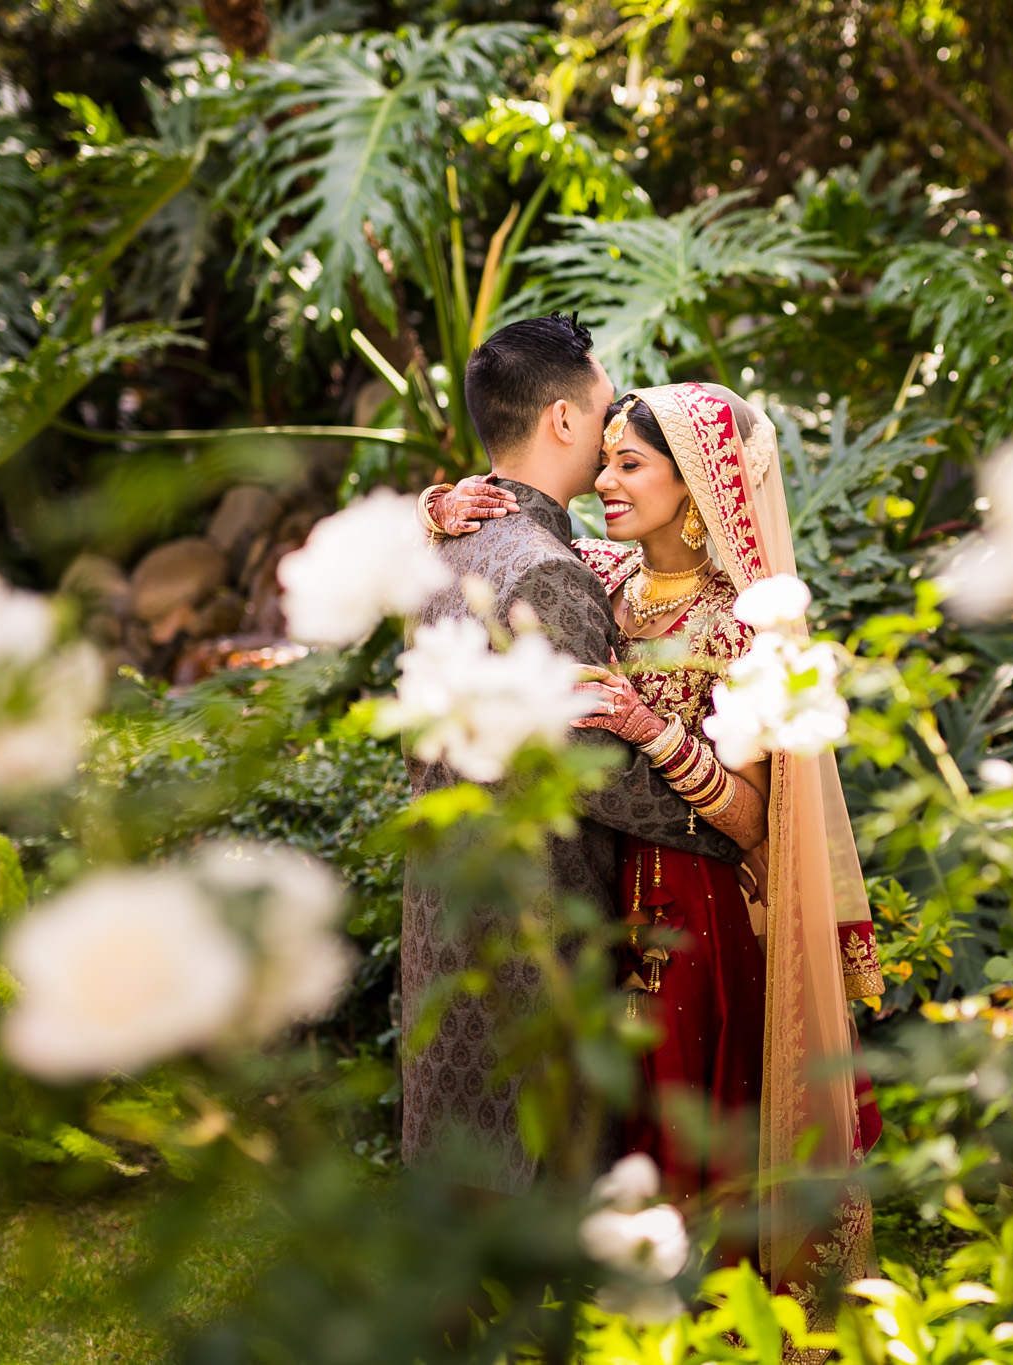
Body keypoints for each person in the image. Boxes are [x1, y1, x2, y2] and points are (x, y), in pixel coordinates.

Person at [425, 381, 884, 1310]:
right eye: (605, 460)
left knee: (685, 1122)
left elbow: (757, 819)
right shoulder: (606, 572)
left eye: (629, 465)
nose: (603, 479)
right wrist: (436, 508)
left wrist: (649, 727)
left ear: (697, 488)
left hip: (697, 916)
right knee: (616, 1133)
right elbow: (505, 545)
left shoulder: (740, 624)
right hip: (607, 900)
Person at [399, 316, 744, 1193]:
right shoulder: (550, 569)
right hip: (535, 933)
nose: (609, 426)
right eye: (600, 409)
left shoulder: (448, 545)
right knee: (545, 1187)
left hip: (446, 912)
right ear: (561, 420)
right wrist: (737, 827)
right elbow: (594, 774)